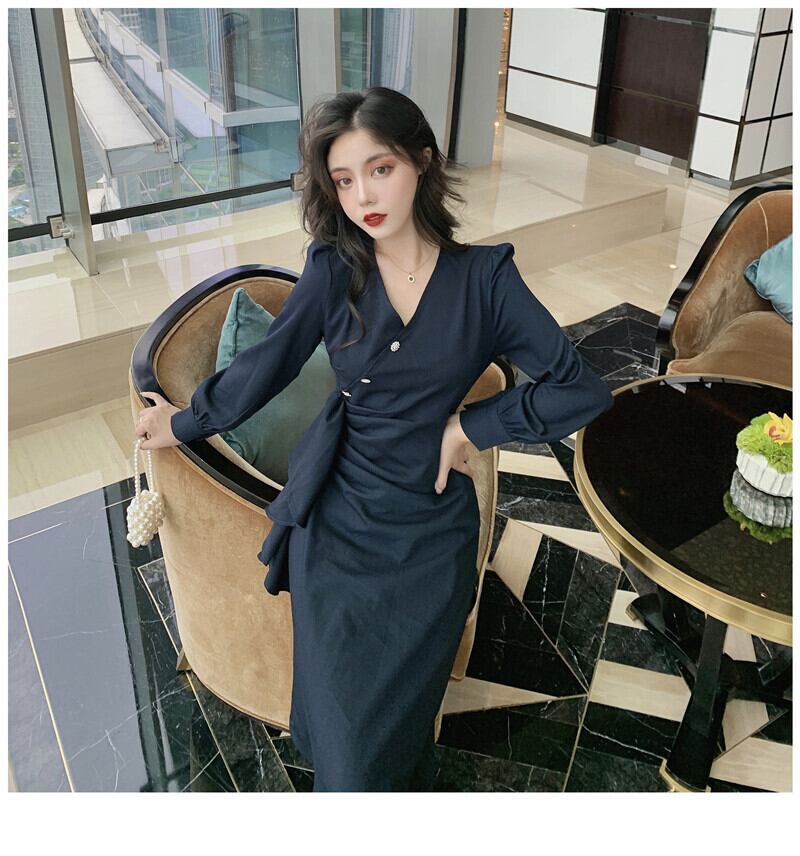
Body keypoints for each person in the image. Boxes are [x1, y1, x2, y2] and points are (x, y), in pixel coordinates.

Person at [135, 86, 614, 791]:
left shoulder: (486, 281)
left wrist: (470, 426)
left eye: (380, 168)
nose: (363, 195)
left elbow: (581, 390)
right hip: (342, 516)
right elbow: (267, 365)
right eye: (344, 179)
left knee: (399, 723)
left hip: (430, 532)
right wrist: (179, 424)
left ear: (422, 161)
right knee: (345, 736)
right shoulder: (334, 267)